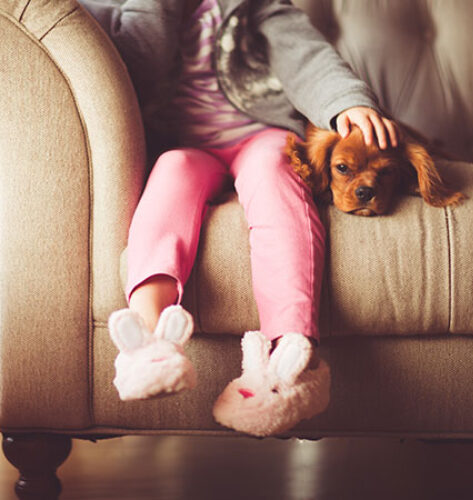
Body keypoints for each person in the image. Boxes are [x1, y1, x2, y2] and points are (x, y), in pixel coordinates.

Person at [80, 0, 397, 436]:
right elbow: (128, 68)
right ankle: (150, 340)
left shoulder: (258, 7)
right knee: (171, 173)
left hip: (258, 134)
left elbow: (306, 56)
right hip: (183, 145)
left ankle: (289, 359)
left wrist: (344, 103)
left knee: (275, 172)